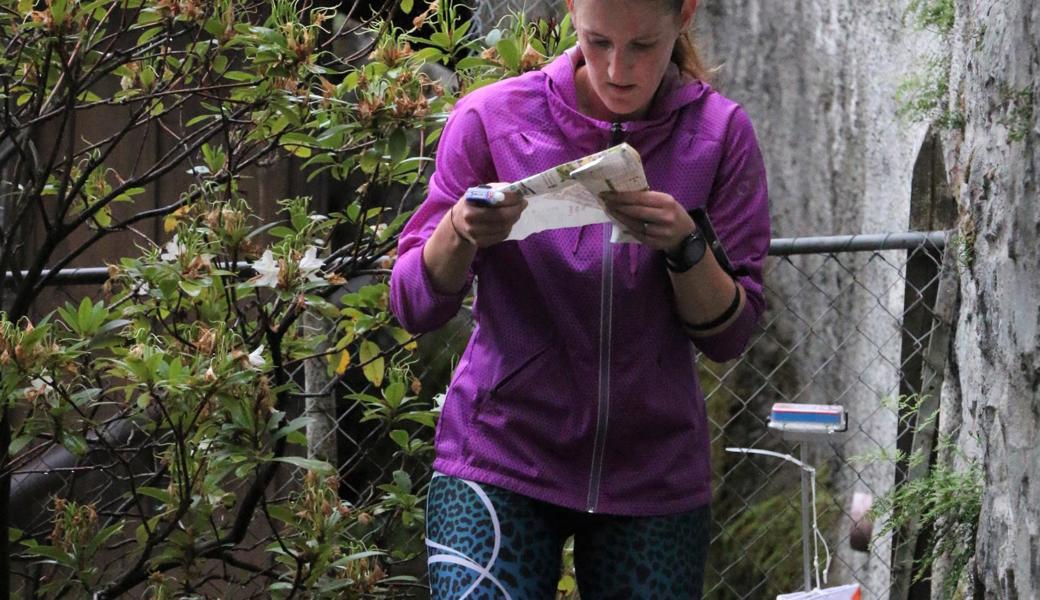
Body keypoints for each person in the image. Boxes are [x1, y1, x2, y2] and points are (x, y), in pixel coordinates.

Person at [389, 0, 770, 596]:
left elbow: (730, 336)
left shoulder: (720, 135)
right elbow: (413, 305)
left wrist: (685, 247)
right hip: (498, 455)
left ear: (685, 15)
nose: (618, 68)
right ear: (572, 13)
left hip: (654, 474)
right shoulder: (491, 118)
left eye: (643, 46)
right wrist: (458, 231)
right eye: (597, 42)